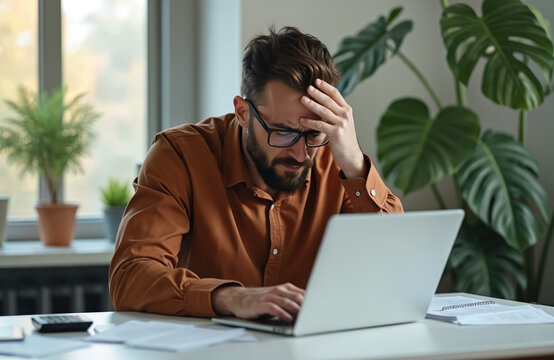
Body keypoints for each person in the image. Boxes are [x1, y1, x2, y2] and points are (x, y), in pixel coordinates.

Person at [109, 26, 403, 323]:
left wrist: (353, 161)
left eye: (313, 133)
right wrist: (231, 297)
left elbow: (398, 265)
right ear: (243, 113)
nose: (301, 154)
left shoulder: (339, 163)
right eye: (283, 132)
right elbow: (131, 277)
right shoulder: (180, 155)